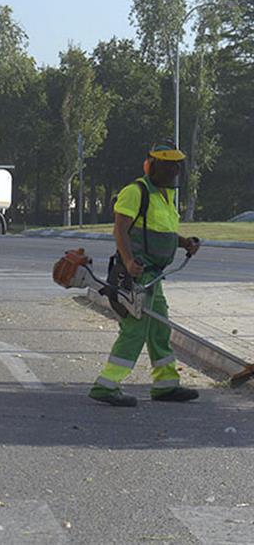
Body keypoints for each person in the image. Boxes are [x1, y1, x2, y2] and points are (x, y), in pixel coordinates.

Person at [89, 140, 201, 407]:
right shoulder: (136, 192)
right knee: (135, 330)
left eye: (175, 167)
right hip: (137, 276)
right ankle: (106, 385)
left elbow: (161, 232)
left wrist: (185, 243)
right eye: (168, 167)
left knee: (159, 328)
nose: (173, 172)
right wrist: (128, 261)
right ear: (151, 165)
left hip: (155, 277)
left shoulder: (166, 194)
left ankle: (166, 385)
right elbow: (120, 230)